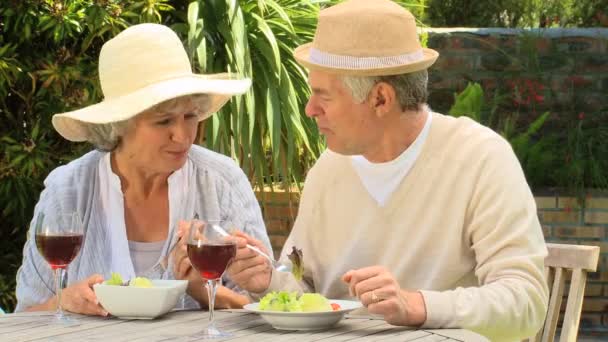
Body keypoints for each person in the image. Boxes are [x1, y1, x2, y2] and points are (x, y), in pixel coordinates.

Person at [226, 0, 548, 340]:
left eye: (323, 96)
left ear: (380, 98)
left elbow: (525, 302)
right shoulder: (329, 168)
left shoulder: (480, 158)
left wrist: (416, 306)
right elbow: (304, 284)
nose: (309, 109)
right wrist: (266, 282)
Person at [15, 23, 272, 315]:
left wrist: (203, 291)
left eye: (190, 116)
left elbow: (267, 311)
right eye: (163, 121)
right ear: (120, 125)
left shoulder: (221, 182)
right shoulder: (68, 190)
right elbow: (24, 318)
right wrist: (64, 302)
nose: (183, 135)